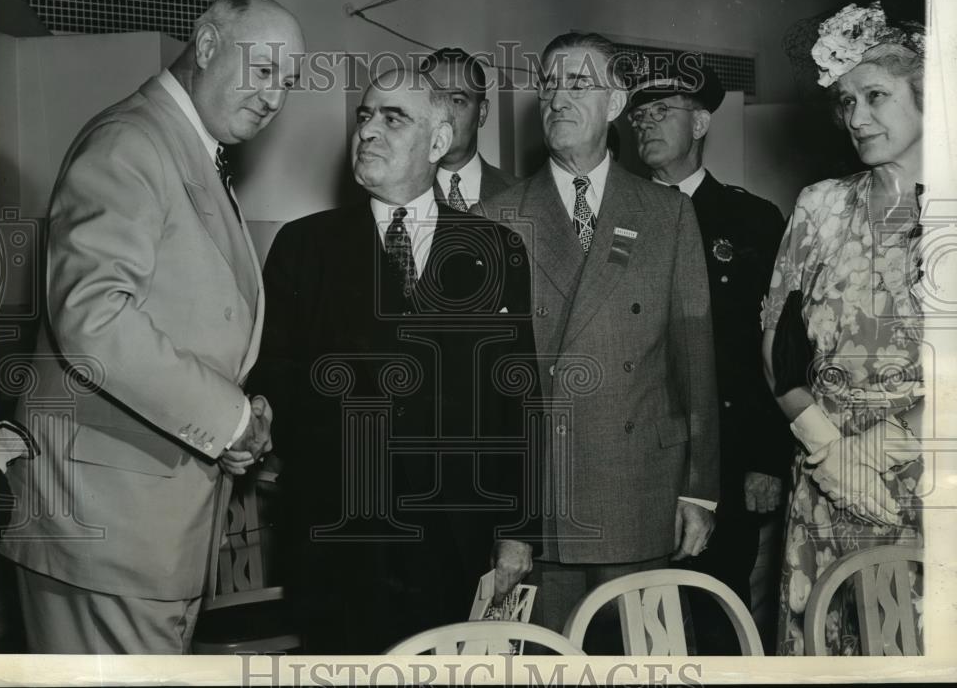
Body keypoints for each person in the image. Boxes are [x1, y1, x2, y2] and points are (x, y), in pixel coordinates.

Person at [0, 0, 306, 654]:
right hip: (106, 530)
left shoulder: (185, 147)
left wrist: (241, 414)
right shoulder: (133, 141)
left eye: (289, 81)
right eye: (263, 69)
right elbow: (93, 315)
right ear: (207, 44)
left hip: (142, 531)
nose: (275, 96)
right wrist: (227, 420)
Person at [248, 66, 540, 654]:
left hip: (457, 539)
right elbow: (275, 379)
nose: (368, 131)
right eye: (364, 116)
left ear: (437, 141)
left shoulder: (495, 249)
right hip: (339, 539)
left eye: (392, 117)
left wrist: (517, 532)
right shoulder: (304, 248)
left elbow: (518, 398)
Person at [476, 32, 719, 651]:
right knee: (541, 664)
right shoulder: (496, 219)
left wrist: (700, 486)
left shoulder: (667, 214)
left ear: (615, 104)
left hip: (643, 489)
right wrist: (506, 517)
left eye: (578, 83)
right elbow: (484, 395)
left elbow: (694, 358)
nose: (557, 97)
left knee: (647, 666)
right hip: (544, 502)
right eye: (549, 84)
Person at [762, 1, 925, 655]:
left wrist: (885, 449)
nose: (855, 117)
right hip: (827, 492)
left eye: (875, 96)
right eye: (845, 101)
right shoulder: (820, 205)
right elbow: (778, 343)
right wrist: (829, 451)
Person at [626, 56, 792, 652]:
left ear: (699, 126)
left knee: (722, 615)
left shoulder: (751, 220)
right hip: (639, 456)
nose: (644, 124)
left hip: (727, 453)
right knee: (642, 621)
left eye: (661, 112)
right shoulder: (615, 219)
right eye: (638, 114)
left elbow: (776, 345)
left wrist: (768, 460)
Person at [419, 47, 517, 210]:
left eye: (457, 101)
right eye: (435, 100)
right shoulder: (400, 195)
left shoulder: (522, 194)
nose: (445, 114)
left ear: (482, 113)